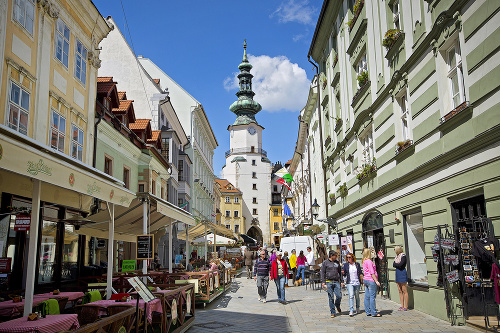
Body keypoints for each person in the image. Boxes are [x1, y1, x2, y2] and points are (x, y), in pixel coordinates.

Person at [321, 251, 343, 318]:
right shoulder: (325, 263)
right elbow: (322, 272)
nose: (336, 257)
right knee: (331, 298)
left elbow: (340, 272)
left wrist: (341, 281)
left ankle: (337, 304)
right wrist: (323, 281)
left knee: (339, 296)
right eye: (335, 255)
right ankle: (332, 312)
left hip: (336, 281)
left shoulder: (337, 262)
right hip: (329, 282)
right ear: (331, 255)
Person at [362, 248, 381, 317]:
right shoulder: (369, 261)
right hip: (371, 280)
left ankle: (368, 311)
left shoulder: (364, 261)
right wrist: (376, 281)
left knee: (367, 296)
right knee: (372, 297)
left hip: (366, 279)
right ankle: (374, 312)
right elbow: (372, 272)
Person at [393, 245, 408, 311]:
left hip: (402, 273)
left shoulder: (403, 256)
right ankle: (401, 305)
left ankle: (405, 306)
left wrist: (397, 265)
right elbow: (394, 264)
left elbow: (401, 265)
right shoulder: (396, 257)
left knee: (404, 290)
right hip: (398, 273)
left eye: (395, 249)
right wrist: (397, 265)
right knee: (399, 290)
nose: (394, 250)